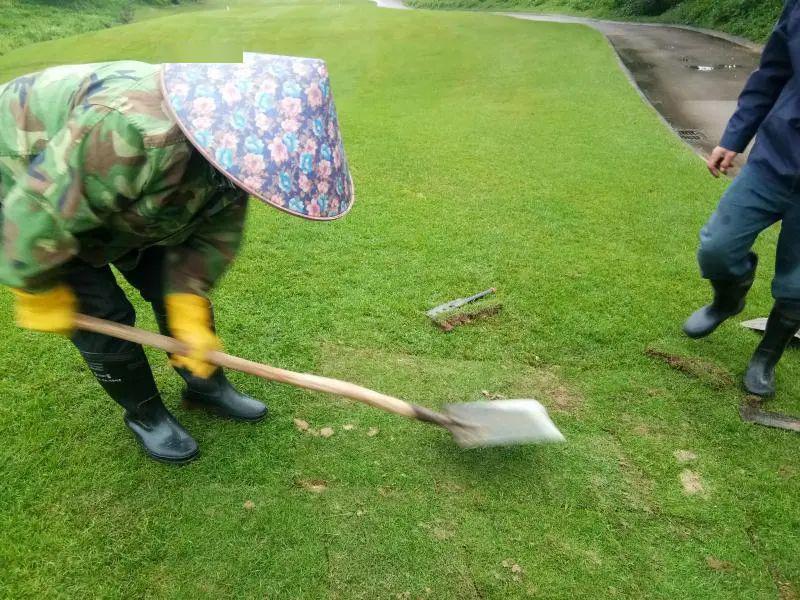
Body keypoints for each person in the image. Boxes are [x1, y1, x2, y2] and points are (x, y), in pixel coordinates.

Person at [0, 54, 354, 464]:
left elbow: (214, 231)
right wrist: (34, 282)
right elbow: (36, 217)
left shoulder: (235, 156)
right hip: (27, 182)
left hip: (108, 180)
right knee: (102, 313)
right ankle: (145, 414)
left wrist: (186, 298)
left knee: (178, 293)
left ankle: (204, 384)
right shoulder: (131, 129)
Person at [683, 0, 799, 397]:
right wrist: (735, 137)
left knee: (797, 285)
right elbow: (772, 74)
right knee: (717, 247)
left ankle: (767, 355)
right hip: (775, 159)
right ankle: (727, 301)